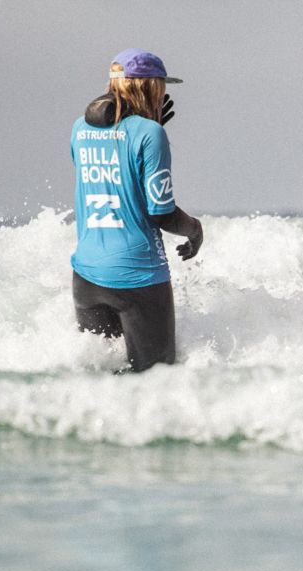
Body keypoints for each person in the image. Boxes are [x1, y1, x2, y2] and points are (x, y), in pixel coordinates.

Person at [70, 48, 204, 372]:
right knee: (156, 382)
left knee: (102, 379)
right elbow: (161, 212)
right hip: (138, 276)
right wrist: (195, 230)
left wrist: (145, 130)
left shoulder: (80, 129)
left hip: (86, 278)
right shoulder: (150, 134)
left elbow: (111, 180)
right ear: (151, 87)